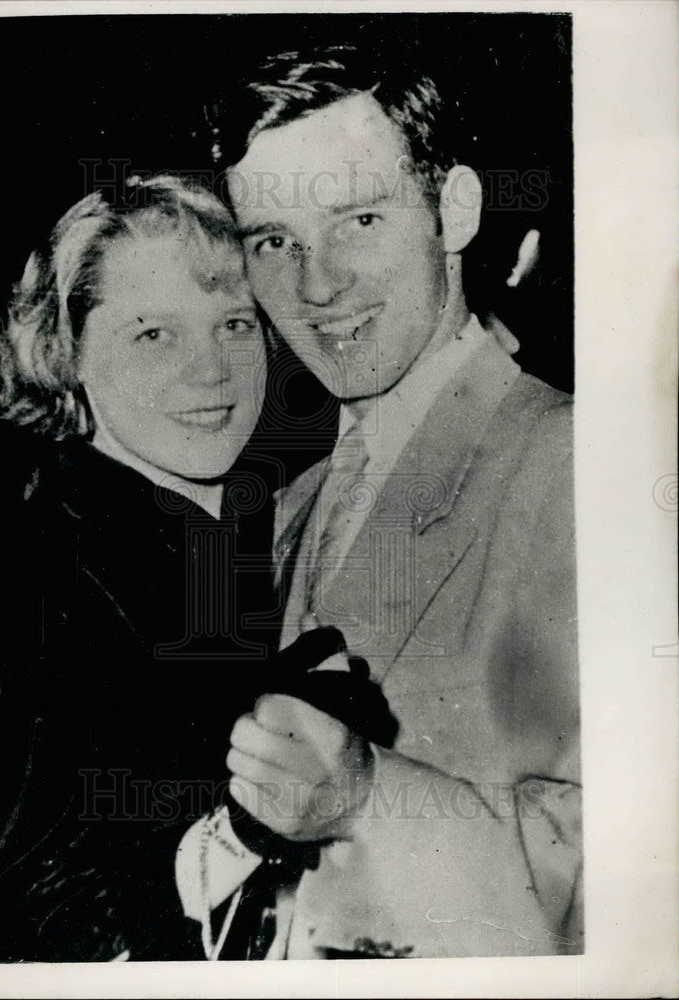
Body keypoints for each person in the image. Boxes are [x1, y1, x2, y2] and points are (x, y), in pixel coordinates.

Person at [191, 46, 581, 958]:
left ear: (454, 211)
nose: (315, 286)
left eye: (357, 219)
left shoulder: (573, 464)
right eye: (273, 241)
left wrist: (368, 802)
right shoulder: (292, 509)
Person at [0, 175, 284, 961]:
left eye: (236, 325)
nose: (213, 371)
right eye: (154, 335)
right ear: (63, 349)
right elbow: (6, 900)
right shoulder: (31, 577)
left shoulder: (263, 527)